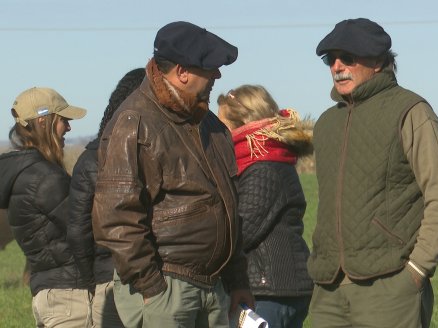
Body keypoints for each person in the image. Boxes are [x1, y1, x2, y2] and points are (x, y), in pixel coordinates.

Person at [91, 21, 254, 328]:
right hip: (166, 288)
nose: (217, 76)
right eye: (210, 68)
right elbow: (115, 218)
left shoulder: (212, 127)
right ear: (182, 72)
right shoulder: (135, 122)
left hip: (213, 288)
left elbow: (229, 207)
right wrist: (153, 288)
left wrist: (237, 280)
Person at [307, 18, 438, 328]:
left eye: (348, 57)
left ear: (378, 61)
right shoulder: (326, 123)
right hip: (328, 290)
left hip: (390, 286)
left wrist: (416, 271)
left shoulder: (410, 110)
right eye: (330, 59)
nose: (337, 66)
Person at [217, 85, 314, 327]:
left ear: (243, 123)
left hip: (270, 288)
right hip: (276, 286)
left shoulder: (263, 168)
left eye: (223, 126)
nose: (219, 135)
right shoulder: (267, 161)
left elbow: (241, 229)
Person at [0, 87, 91, 327]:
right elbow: (88, 230)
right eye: (63, 120)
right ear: (43, 121)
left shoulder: (22, 174)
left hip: (50, 295)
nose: (69, 128)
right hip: (71, 299)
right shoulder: (45, 179)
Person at [67, 68, 146, 328]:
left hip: (108, 281)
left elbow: (78, 231)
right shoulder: (156, 154)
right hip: (150, 279)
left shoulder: (90, 159)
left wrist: (92, 280)